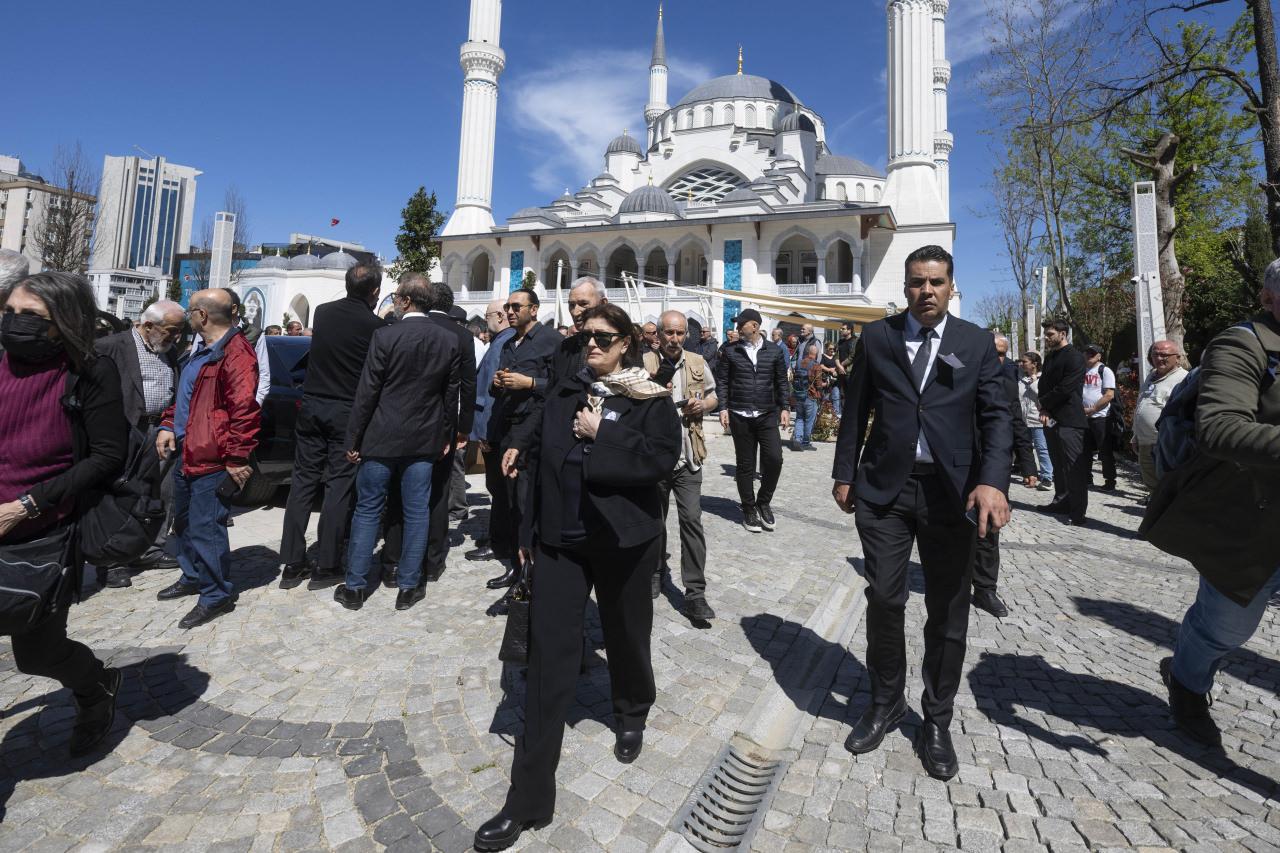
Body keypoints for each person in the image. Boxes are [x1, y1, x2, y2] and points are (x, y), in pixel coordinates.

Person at [475, 304, 681, 852]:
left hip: (622, 543)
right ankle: (528, 799)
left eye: (603, 337)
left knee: (626, 633)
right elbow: (540, 443)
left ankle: (631, 708)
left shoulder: (650, 400)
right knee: (547, 657)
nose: (591, 344)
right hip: (561, 544)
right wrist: (523, 466)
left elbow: (660, 461)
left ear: (626, 343)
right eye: (585, 335)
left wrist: (601, 435)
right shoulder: (566, 389)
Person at [832, 245, 1011, 781]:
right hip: (885, 489)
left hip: (951, 495)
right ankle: (886, 701)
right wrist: (845, 472)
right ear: (906, 286)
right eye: (916, 282)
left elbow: (997, 417)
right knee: (884, 598)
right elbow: (857, 406)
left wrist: (992, 482)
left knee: (948, 610)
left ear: (951, 287)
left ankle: (936, 718)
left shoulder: (975, 342)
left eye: (935, 282)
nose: (925, 291)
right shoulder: (879, 337)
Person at [1, 271, 128, 757]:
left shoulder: (90, 371)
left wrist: (25, 505)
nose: (15, 325)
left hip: (41, 528)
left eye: (31, 316)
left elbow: (106, 456)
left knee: (37, 654)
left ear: (63, 322)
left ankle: (97, 687)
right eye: (9, 313)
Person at [1158, 263, 1280, 746]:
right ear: (1269, 297)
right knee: (1224, 629)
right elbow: (1220, 428)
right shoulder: (1243, 344)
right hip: (1253, 522)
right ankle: (1187, 682)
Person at [337, 275, 461, 611]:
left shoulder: (385, 335)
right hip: (423, 437)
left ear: (405, 300)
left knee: (367, 510)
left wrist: (354, 437)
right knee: (416, 511)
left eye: (395, 297)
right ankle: (408, 585)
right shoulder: (448, 339)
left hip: (381, 436)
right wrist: (447, 434)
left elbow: (368, 391)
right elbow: (451, 396)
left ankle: (355, 586)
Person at [278, 263, 388, 590]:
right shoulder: (375, 326)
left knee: (302, 483)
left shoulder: (323, 313)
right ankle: (327, 563)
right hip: (346, 410)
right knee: (339, 486)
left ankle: (292, 562)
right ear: (375, 292)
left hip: (312, 404)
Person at [155, 289, 260, 629]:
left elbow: (244, 411)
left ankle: (216, 594)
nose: (188, 316)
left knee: (206, 528)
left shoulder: (236, 353)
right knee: (183, 522)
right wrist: (169, 424)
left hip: (213, 458)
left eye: (190, 310)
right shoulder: (198, 349)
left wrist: (236, 458)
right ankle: (193, 575)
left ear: (202, 315)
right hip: (188, 450)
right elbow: (184, 395)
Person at [492, 278, 607, 587]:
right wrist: (520, 443)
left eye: (584, 303)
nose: (576, 310)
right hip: (559, 450)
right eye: (572, 304)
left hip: (603, 455)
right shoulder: (567, 347)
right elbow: (550, 400)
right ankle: (533, 580)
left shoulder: (619, 345)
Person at [93, 299, 185, 587]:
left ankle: (150, 549)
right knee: (119, 495)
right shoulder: (111, 347)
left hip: (162, 431)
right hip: (124, 430)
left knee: (160, 493)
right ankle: (112, 560)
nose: (176, 337)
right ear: (147, 325)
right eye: (172, 330)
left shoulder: (168, 350)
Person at [644, 310, 718, 620]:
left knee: (691, 520)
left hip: (689, 454)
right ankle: (653, 572)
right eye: (669, 333)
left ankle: (695, 592)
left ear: (686, 334)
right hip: (655, 457)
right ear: (658, 335)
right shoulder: (644, 363)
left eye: (679, 333)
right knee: (653, 520)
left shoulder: (697, 362)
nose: (674, 339)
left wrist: (704, 404)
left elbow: (714, 396)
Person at [483, 288, 559, 585]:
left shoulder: (551, 341)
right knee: (511, 502)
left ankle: (534, 573)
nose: (510, 311)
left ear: (534, 309)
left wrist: (530, 382)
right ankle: (517, 566)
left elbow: (559, 386)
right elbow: (499, 388)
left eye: (516, 306)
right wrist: (498, 382)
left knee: (528, 504)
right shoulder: (508, 343)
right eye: (507, 307)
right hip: (508, 427)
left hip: (533, 431)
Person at [971, 332, 1038, 619]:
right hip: (960, 463)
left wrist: (1028, 465)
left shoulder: (1008, 385)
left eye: (1004, 353)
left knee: (989, 528)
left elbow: (1018, 425)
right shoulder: (963, 375)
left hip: (994, 467)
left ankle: (985, 588)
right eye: (995, 352)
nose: (1000, 359)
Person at [715, 308, 790, 533]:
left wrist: (785, 407)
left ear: (754, 326)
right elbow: (723, 382)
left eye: (741, 324)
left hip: (767, 414)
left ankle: (763, 502)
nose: (738, 328)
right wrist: (723, 408)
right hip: (740, 415)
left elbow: (781, 382)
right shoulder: (730, 351)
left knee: (775, 459)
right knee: (745, 465)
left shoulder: (774, 351)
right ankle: (749, 509)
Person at [423, 281, 477, 579]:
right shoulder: (461, 335)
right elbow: (468, 386)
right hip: (444, 423)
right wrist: (464, 428)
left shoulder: (404, 327)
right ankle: (433, 559)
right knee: (439, 491)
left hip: (404, 423)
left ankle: (398, 557)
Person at [466, 298, 516, 565]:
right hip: (493, 426)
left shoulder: (501, 344)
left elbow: (492, 392)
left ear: (499, 315)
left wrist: (484, 432)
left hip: (494, 428)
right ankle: (498, 538)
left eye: (487, 317)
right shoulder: (502, 341)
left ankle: (500, 543)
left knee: (498, 487)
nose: (486, 322)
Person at [1038, 319, 1089, 525]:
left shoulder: (1075, 357)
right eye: (1046, 335)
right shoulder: (1050, 357)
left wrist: (1045, 404)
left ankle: (1077, 512)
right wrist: (1044, 408)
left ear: (1063, 334)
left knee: (1073, 468)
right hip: (1051, 418)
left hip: (1070, 420)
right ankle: (1061, 501)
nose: (1047, 338)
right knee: (1057, 464)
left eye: (1050, 334)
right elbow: (1043, 384)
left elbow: (1066, 388)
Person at [1132, 340, 1187, 491]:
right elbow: (1141, 404)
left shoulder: (1184, 380)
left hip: (1166, 444)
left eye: (1164, 355)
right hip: (1145, 443)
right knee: (1151, 485)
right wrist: (1136, 435)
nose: (1159, 358)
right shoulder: (1151, 376)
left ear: (1177, 358)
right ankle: (1155, 511)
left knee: (1168, 486)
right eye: (1155, 354)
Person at [1081, 344, 1117, 491]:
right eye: (1087, 353)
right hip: (1084, 417)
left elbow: (1109, 394)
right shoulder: (1082, 370)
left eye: (1093, 353)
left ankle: (1110, 480)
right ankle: (1087, 477)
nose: (1089, 355)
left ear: (1099, 356)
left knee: (1105, 450)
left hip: (1101, 417)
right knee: (1084, 450)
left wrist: (1093, 408)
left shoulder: (1105, 370)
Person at [1018, 352, 1053, 491]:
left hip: (1038, 419)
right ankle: (1030, 474)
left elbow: (1042, 395)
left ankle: (1047, 477)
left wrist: (1033, 381)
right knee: (1026, 449)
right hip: (1023, 419)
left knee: (1042, 448)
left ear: (1034, 364)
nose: (1022, 364)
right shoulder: (1021, 379)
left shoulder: (1043, 378)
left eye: (1025, 361)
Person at [791, 342, 823, 451]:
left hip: (799, 394)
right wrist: (824, 385)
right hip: (810, 395)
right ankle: (805, 442)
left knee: (799, 418)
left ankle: (797, 439)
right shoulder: (816, 365)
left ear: (808, 352)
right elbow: (818, 384)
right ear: (816, 354)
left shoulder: (799, 363)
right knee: (809, 420)